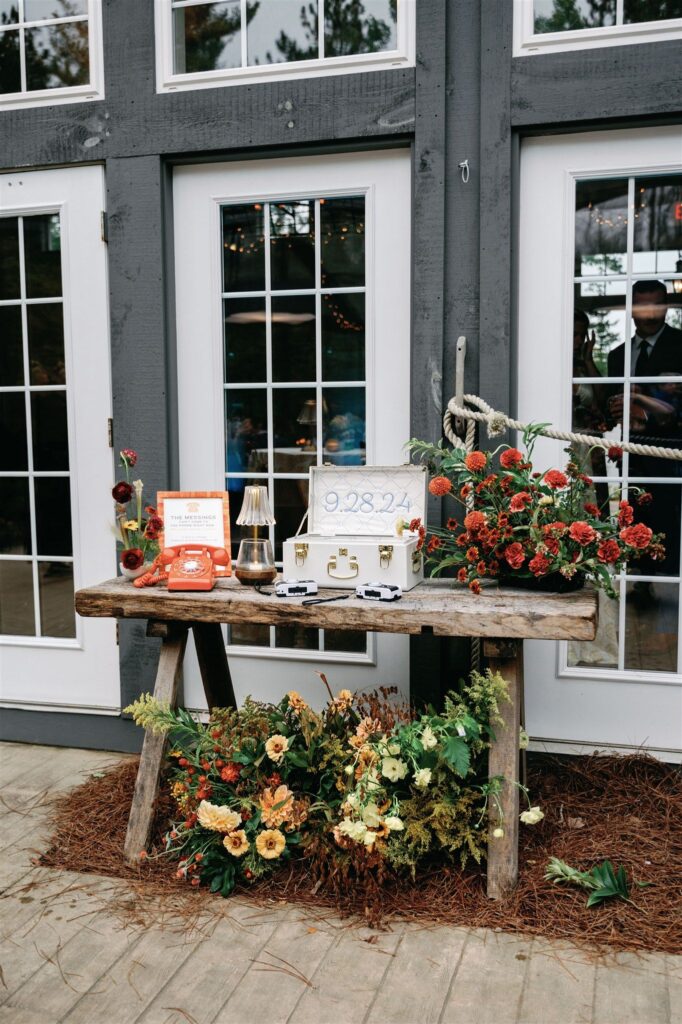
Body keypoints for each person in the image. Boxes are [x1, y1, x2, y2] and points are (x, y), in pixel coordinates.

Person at [606, 280, 682, 584]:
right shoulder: (617, 355)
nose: (649, 315)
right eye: (642, 307)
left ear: (666, 307)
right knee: (633, 525)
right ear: (631, 310)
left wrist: (647, 414)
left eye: (656, 306)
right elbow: (609, 405)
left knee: (671, 525)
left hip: (673, 456)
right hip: (631, 458)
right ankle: (638, 585)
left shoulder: (680, 345)